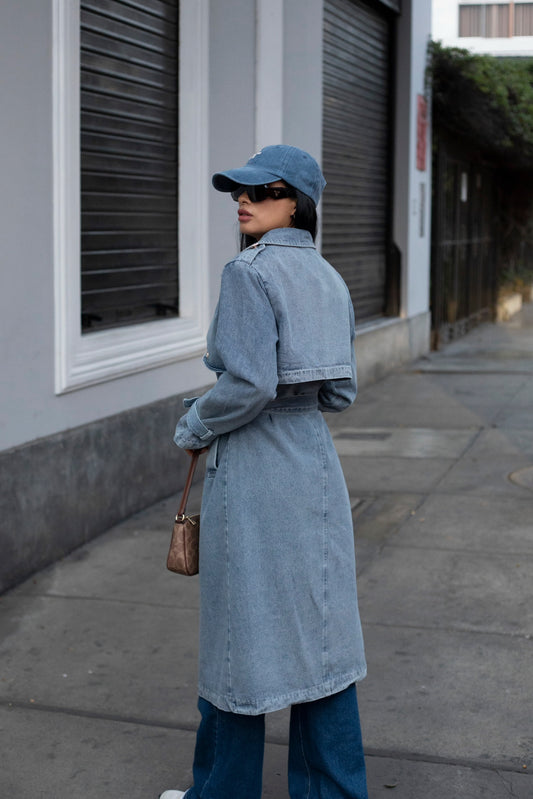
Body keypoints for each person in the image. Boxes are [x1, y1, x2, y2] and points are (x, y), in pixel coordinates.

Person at [161, 145, 368, 799]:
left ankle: (221, 792)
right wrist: (295, 403)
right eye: (238, 192)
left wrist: (195, 424)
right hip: (313, 466)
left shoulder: (248, 272)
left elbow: (248, 385)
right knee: (323, 638)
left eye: (262, 191)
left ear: (297, 203)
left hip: (254, 468)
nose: (243, 201)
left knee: (238, 637)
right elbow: (339, 393)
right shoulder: (330, 279)